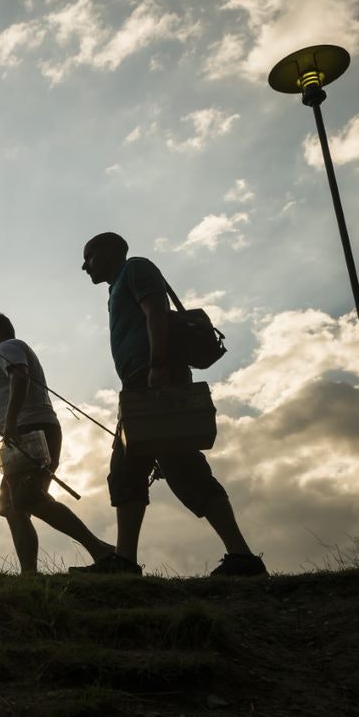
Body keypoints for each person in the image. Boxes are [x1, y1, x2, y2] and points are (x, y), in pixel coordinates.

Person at [80, 231, 267, 577]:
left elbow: (156, 313)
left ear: (109, 251)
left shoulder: (136, 269)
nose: (84, 266)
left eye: (88, 256)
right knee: (131, 470)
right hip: (140, 383)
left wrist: (158, 366)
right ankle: (126, 561)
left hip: (155, 379)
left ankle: (241, 557)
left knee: (180, 468)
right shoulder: (117, 286)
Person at [0, 311, 123, 574]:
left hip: (29, 430)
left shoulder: (7, 347)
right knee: (11, 506)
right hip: (28, 430)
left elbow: (20, 375)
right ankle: (29, 574)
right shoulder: (9, 349)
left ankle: (103, 552)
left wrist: (10, 422)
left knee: (28, 498)